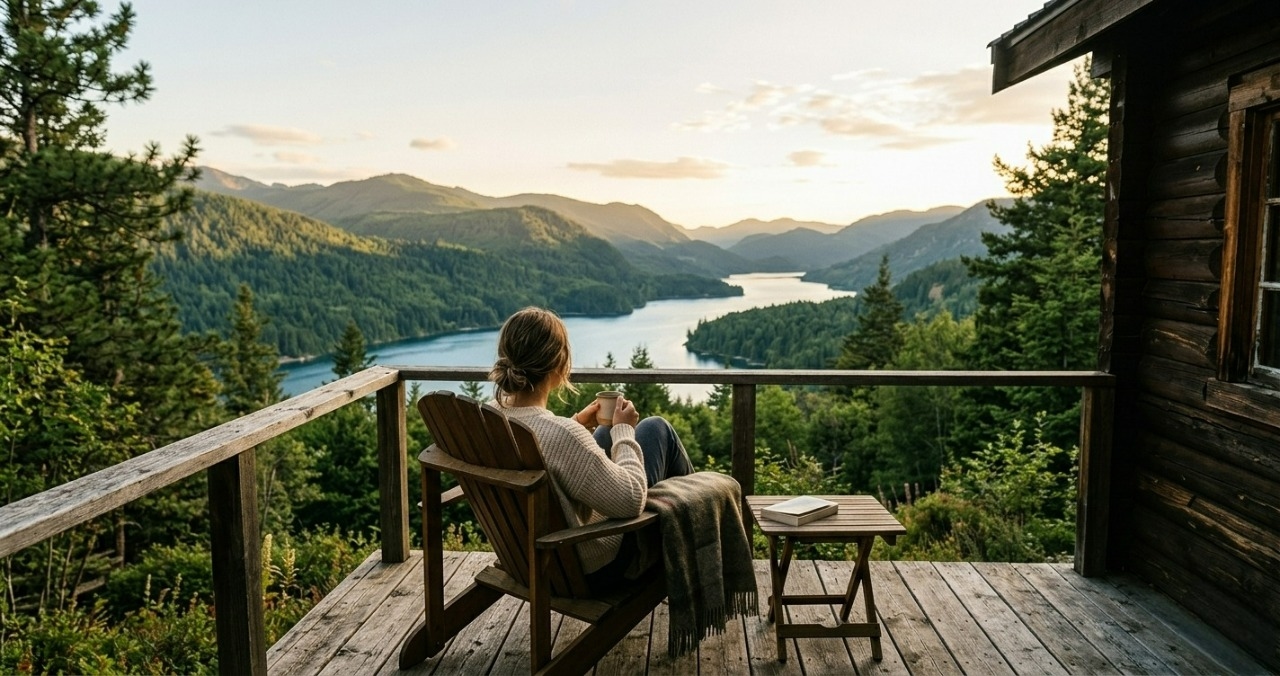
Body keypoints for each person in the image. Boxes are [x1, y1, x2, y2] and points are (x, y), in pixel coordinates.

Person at [488, 306, 693, 591]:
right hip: (589, 567)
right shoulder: (560, 434)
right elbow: (631, 500)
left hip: (525, 557)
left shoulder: (489, 419)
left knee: (606, 431)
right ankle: (696, 543)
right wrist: (624, 430)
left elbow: (542, 447)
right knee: (656, 428)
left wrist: (578, 425)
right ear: (559, 365)